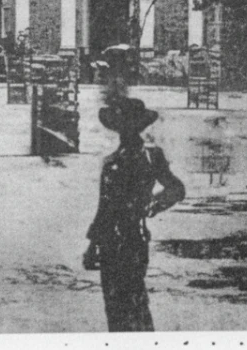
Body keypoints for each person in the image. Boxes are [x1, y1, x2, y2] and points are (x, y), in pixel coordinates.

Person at [84, 88, 185, 332]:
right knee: (120, 305)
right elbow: (104, 209)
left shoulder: (148, 158)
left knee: (131, 304)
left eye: (128, 127)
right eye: (122, 127)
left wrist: (152, 205)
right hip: (118, 241)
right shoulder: (116, 161)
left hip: (129, 240)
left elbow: (176, 189)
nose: (126, 132)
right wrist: (93, 244)